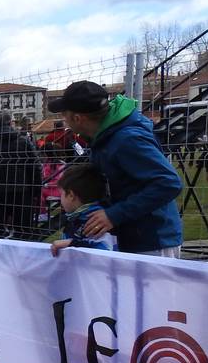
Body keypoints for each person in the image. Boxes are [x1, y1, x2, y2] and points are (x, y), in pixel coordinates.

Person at [47, 80, 183, 256]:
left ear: (78, 118)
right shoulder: (104, 136)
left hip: (151, 240)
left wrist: (115, 214)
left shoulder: (127, 139)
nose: (63, 121)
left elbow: (169, 183)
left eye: (64, 115)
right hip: (131, 235)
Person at [0, 110, 43, 240]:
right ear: (10, 123)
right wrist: (36, 190)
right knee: (23, 233)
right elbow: (35, 167)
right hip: (21, 192)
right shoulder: (23, 142)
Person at [50, 163, 114, 256]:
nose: (61, 199)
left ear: (71, 195)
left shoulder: (95, 221)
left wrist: (72, 244)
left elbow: (104, 252)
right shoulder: (77, 216)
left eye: (62, 194)